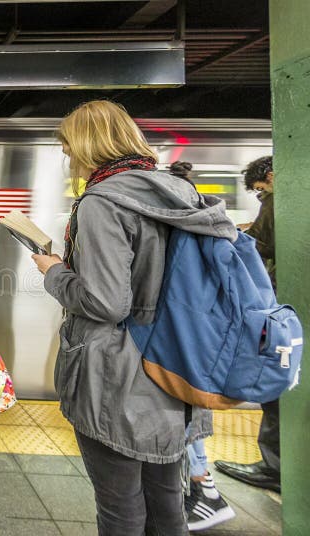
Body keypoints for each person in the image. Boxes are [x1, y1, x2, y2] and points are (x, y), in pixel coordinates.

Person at [31, 101, 237, 535]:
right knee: (166, 505)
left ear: (89, 146)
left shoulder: (103, 202)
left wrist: (54, 272)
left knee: (120, 509)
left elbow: (106, 303)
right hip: (178, 369)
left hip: (120, 379)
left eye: (69, 148)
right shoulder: (180, 193)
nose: (69, 158)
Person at [167, 161, 236, 531]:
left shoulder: (186, 233)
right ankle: (202, 487)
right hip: (197, 345)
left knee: (184, 417)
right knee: (185, 416)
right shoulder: (208, 227)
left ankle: (204, 489)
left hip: (185, 348)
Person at [215, 156, 281, 493]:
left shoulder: (277, 199)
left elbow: (262, 243)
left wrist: (233, 235)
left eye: (259, 191)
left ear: (270, 177)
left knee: (275, 389)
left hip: (280, 311)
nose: (261, 197)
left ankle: (275, 468)